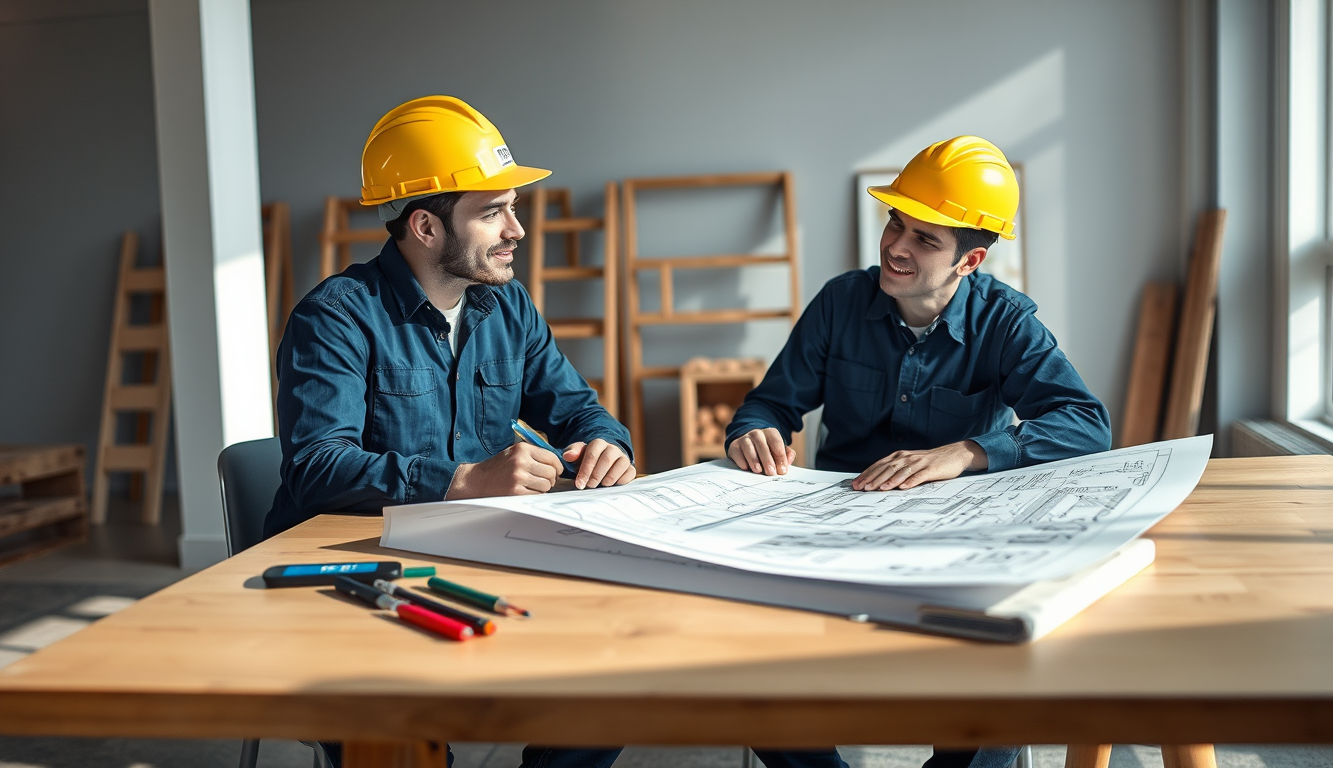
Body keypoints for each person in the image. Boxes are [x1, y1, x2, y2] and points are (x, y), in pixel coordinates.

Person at [264, 95, 636, 768]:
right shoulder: (336, 319)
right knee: (401, 739)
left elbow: (581, 409)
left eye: (513, 207)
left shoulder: (507, 307)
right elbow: (317, 466)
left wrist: (608, 444)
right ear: (426, 227)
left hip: (472, 558)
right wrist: (463, 479)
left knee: (610, 681)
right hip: (350, 578)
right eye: (493, 212)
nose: (517, 229)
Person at [725, 136, 1111, 768]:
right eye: (895, 225)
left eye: (925, 240)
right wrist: (755, 433)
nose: (895, 248)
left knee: (1008, 679)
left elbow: (1086, 423)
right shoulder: (840, 302)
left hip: (958, 538)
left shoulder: (1007, 323)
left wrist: (965, 452)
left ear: (971, 260)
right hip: (837, 527)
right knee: (749, 666)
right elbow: (768, 405)